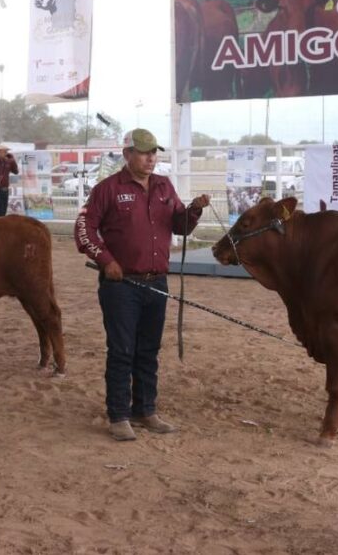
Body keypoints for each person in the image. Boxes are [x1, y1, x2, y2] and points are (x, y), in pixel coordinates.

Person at [73, 128, 211, 442]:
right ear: (128, 154)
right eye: (144, 152)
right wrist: (106, 260)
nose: (151, 158)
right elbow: (84, 229)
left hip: (156, 282)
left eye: (154, 153)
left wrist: (195, 210)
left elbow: (180, 225)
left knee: (148, 350)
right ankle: (118, 415)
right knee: (122, 350)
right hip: (121, 285)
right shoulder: (107, 189)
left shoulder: (164, 186)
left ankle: (146, 410)